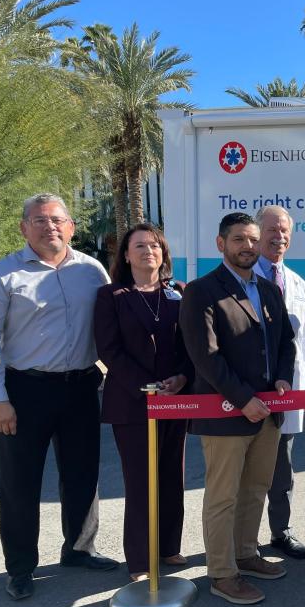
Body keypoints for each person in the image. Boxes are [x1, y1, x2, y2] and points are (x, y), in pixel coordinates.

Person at [0, 193, 117, 601]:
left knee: (83, 473)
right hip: (24, 390)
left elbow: (109, 327)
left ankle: (79, 549)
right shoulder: (0, 277)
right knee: (20, 483)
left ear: (71, 226)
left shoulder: (92, 271)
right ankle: (19, 567)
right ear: (23, 228)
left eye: (56, 219)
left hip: (83, 386)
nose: (49, 226)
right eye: (39, 220)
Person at [179, 212, 296, 605]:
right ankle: (222, 574)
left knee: (256, 489)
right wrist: (244, 398)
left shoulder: (269, 289)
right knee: (222, 496)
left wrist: (282, 379)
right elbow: (205, 356)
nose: (247, 247)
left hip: (268, 410)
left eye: (252, 239)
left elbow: (285, 344)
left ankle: (246, 554)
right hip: (227, 411)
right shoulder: (202, 291)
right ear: (221, 244)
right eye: (238, 240)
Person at [94, 223, 193, 581]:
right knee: (140, 481)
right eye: (139, 246)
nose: (148, 251)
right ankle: (140, 560)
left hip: (175, 400)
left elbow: (190, 348)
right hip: (133, 404)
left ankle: (168, 548)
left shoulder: (178, 294)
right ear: (125, 254)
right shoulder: (111, 296)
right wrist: (146, 386)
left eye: (154, 245)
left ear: (163, 253)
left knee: (171, 475)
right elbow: (109, 349)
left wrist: (181, 378)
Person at [255, 205, 305, 560]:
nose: (278, 236)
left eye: (284, 231)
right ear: (257, 233)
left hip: (289, 390)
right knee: (247, 468)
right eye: (271, 230)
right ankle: (241, 539)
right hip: (250, 390)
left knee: (283, 467)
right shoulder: (244, 276)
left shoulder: (296, 282)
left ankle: (281, 531)